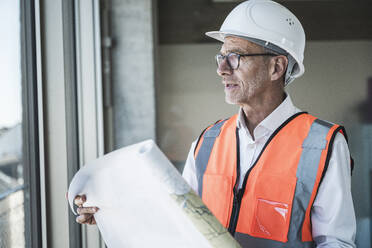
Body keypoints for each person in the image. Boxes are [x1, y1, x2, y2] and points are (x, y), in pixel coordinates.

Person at [74, 0, 356, 247]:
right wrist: (112, 212)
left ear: (277, 67)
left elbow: (336, 243)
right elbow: (179, 225)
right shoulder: (207, 142)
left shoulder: (323, 144)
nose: (222, 69)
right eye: (221, 57)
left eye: (235, 57)